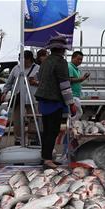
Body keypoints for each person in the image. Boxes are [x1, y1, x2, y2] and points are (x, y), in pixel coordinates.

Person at [35, 35, 77, 168]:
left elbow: (40, 78)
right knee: (52, 130)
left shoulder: (45, 61)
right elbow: (64, 84)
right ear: (62, 50)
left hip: (44, 100)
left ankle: (46, 156)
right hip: (54, 101)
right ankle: (47, 159)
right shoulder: (60, 62)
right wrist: (71, 103)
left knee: (47, 130)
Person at [3, 51, 41, 143]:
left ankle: (33, 138)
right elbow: (9, 82)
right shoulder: (16, 68)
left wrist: (35, 83)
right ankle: (18, 139)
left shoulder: (38, 68)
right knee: (18, 120)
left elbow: (44, 83)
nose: (22, 61)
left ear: (29, 59)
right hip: (18, 98)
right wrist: (4, 92)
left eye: (24, 59)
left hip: (32, 98)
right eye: (20, 59)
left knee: (33, 119)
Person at [69, 50, 90, 118]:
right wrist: (83, 78)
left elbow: (77, 81)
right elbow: (70, 79)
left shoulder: (76, 69)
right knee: (77, 113)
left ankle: (72, 126)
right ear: (72, 58)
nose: (80, 61)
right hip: (72, 95)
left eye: (81, 59)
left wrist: (84, 78)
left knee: (75, 114)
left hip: (75, 95)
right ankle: (72, 126)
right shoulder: (69, 67)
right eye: (78, 59)